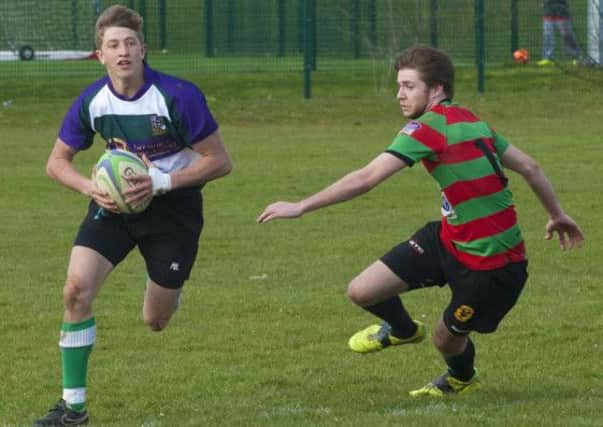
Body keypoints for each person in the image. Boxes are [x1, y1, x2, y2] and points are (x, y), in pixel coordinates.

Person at [258, 46, 583, 397]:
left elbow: (368, 177)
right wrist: (556, 214)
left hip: (492, 266)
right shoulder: (473, 120)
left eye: (409, 86)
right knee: (362, 290)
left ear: (437, 88)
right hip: (448, 239)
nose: (400, 94)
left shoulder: (428, 128)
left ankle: (461, 378)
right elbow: (530, 166)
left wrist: (302, 205)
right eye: (399, 85)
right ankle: (402, 330)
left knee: (445, 340)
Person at [34, 5, 232, 426]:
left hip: (173, 209)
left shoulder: (178, 95)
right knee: (74, 291)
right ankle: (73, 408)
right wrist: (93, 188)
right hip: (114, 207)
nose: (122, 51)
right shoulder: (92, 101)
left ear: (143, 49)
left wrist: (160, 182)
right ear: (100, 55)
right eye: (112, 45)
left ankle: (165, 286)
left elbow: (219, 161)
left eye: (129, 43)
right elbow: (56, 163)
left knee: (155, 320)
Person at [538, 0, 582, 66]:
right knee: (548, 35)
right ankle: (547, 58)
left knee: (567, 35)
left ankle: (576, 57)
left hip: (561, 12)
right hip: (548, 11)